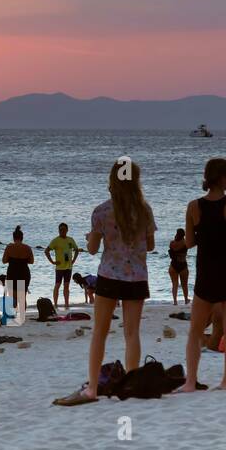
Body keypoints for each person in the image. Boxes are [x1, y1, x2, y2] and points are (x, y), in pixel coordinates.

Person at [78, 159, 155, 402]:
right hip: (136, 277)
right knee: (132, 333)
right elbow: (150, 245)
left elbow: (91, 249)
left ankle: (92, 388)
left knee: (100, 332)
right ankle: (131, 385)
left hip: (110, 275)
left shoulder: (101, 211)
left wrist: (92, 236)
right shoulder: (144, 210)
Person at [180, 158, 226, 393]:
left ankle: (190, 381)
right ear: (221, 178)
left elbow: (189, 242)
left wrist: (205, 236)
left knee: (195, 330)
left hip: (206, 272)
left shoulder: (193, 206)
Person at [1, 226, 34, 320]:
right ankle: (22, 316)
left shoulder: (9, 247)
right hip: (24, 272)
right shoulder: (27, 248)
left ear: (13, 237)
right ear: (22, 237)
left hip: (12, 272)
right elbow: (31, 261)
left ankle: (14, 315)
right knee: (22, 297)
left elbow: (4, 260)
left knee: (13, 297)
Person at [45, 223, 78, 310]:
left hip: (69, 267)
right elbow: (46, 251)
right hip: (59, 267)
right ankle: (55, 304)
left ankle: (66, 304)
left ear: (67, 230)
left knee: (66, 286)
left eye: (63, 229)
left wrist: (74, 260)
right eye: (60, 230)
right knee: (57, 285)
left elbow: (76, 250)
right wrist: (52, 261)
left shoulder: (70, 240)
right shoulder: (55, 240)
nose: (62, 231)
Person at [167, 228, 190, 305]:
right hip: (183, 264)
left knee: (174, 284)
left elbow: (172, 250)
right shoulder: (185, 242)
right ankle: (186, 300)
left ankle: (175, 301)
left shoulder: (172, 243)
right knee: (184, 284)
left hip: (173, 265)